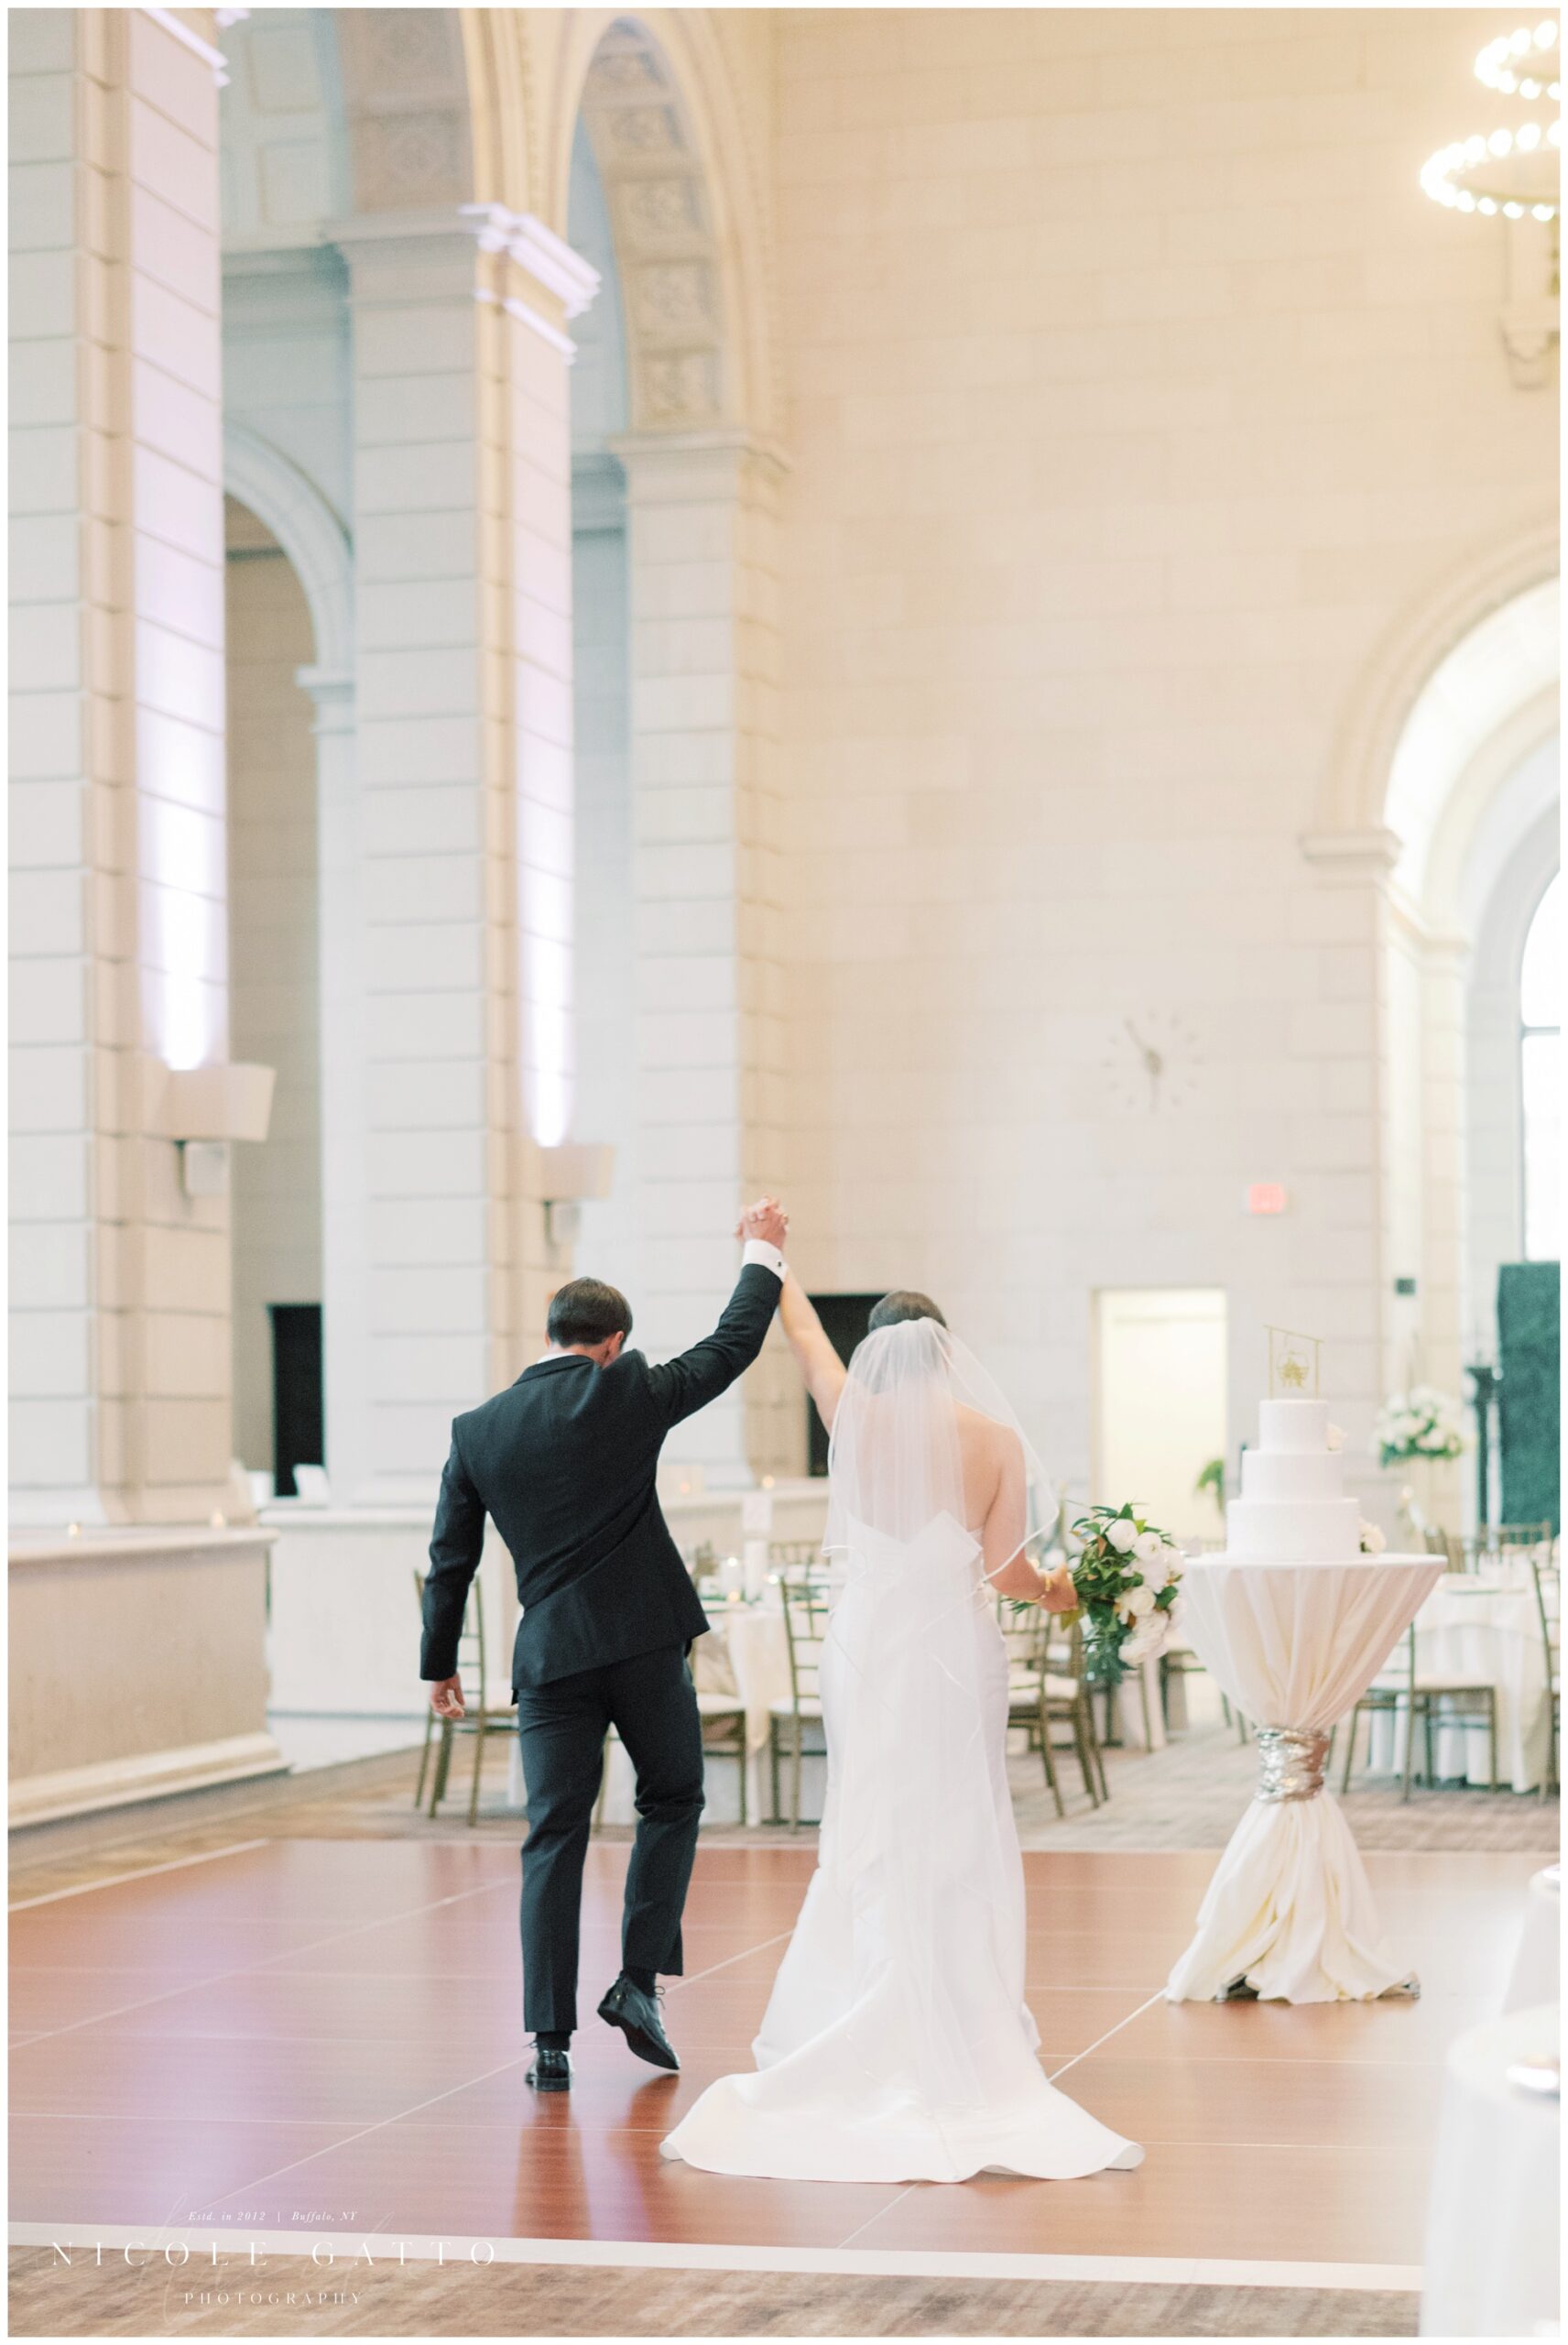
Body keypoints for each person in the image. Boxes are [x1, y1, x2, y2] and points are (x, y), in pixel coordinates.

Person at [660, 1280, 1143, 2182]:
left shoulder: (851, 1417)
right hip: (954, 1657)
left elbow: (803, 1342)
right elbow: (1010, 1579)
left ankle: (864, 2001)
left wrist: (772, 1258)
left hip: (867, 1653)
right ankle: (952, 2015)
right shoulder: (992, 1440)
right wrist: (1098, 1588)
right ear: (947, 1349)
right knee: (955, 1819)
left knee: (870, 1820)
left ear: (877, 1353)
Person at [419, 1199, 789, 2093]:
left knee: (553, 1834)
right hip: (640, 1642)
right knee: (672, 1796)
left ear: (551, 1333)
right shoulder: (625, 1390)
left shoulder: (478, 1430)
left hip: (547, 1655)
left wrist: (439, 1664)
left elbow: (450, 1558)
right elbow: (729, 1344)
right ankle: (635, 1981)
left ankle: (548, 2043)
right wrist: (761, 1250)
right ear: (613, 1340)